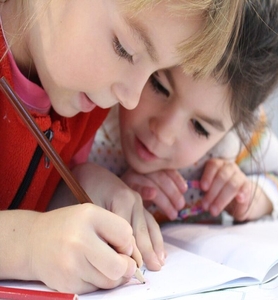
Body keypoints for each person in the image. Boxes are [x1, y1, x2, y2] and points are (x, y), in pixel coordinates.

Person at [0, 0, 244, 294]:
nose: (131, 99)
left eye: (155, 72)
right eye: (124, 50)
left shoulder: (84, 102)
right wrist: (28, 245)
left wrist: (75, 187)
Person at [89, 0, 278, 224]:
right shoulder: (94, 108)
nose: (164, 133)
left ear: (235, 127)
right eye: (158, 86)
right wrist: (106, 190)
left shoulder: (239, 141)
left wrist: (250, 197)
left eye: (200, 127)